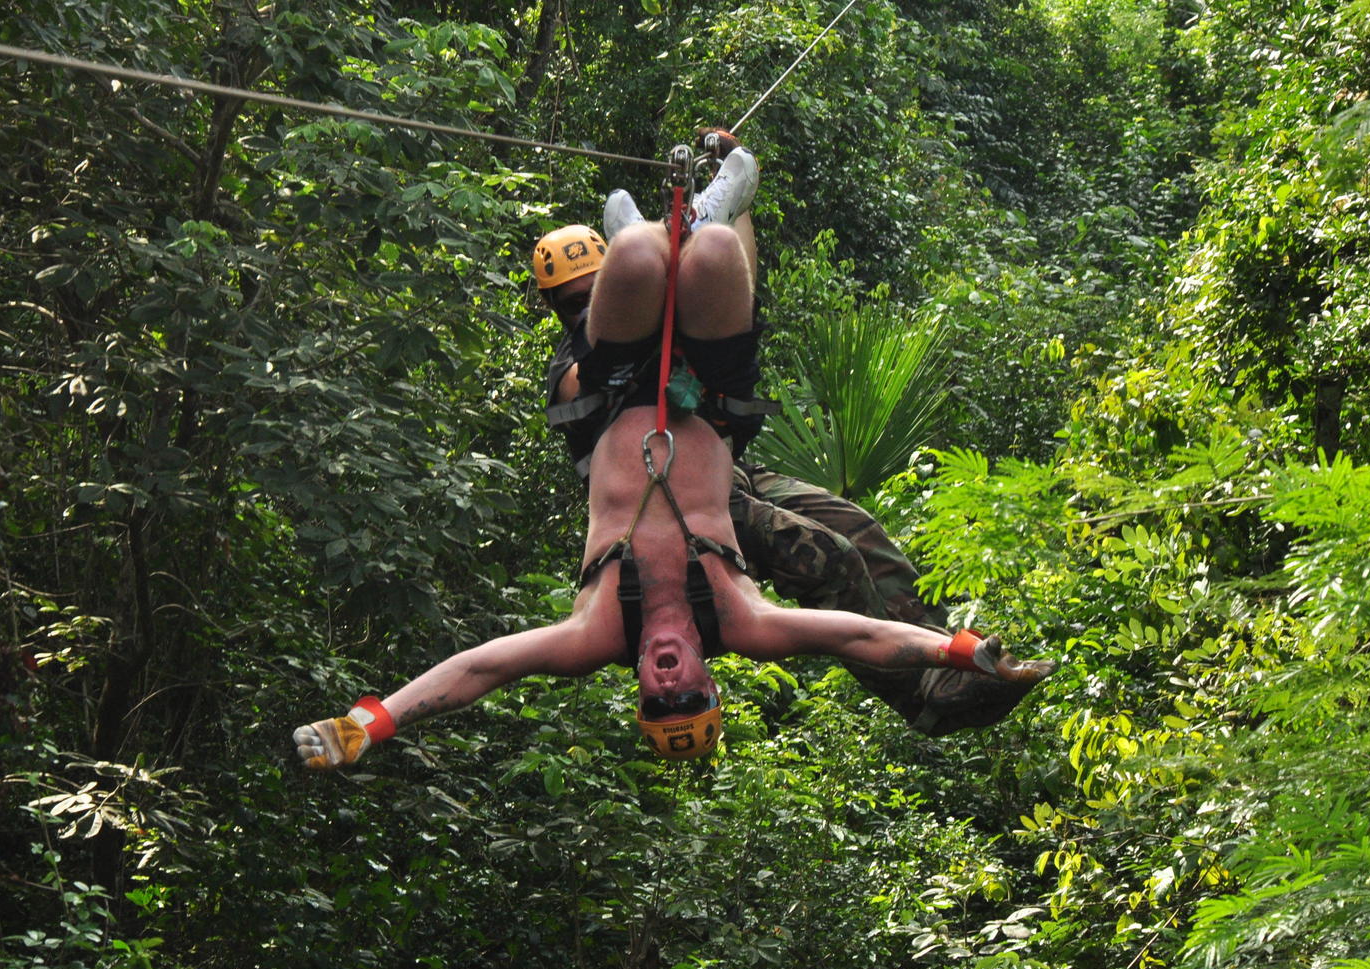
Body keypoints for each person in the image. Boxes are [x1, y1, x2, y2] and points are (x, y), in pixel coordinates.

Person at [293, 198, 1058, 768]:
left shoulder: (596, 635)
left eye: (659, 702)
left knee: (631, 258)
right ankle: (708, 212)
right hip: (712, 405)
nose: (669, 684)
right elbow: (859, 634)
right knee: (719, 250)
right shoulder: (745, 624)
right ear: (706, 682)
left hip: (621, 399)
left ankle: (669, 226)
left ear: (642, 692)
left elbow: (483, 667)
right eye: (688, 695)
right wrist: (959, 652)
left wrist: (371, 724)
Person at [532, 133, 1048, 737]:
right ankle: (926, 696)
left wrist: (732, 201)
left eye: (597, 288)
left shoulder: (651, 320)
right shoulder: (577, 360)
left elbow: (735, 293)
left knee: (858, 528)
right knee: (831, 559)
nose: (588, 306)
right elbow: (581, 384)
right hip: (683, 512)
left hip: (722, 474)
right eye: (574, 302)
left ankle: (942, 644)